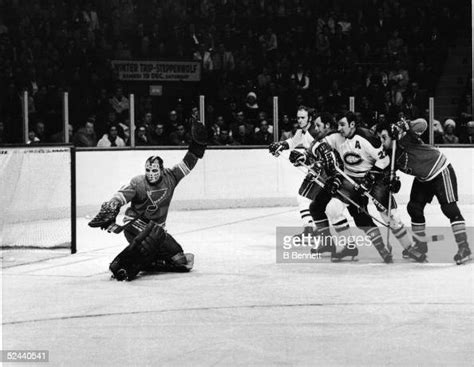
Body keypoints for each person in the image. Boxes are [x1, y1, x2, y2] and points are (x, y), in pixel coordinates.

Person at [88, 121, 207, 280]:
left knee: (180, 259)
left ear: (162, 170)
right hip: (134, 225)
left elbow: (188, 163)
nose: (151, 173)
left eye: (155, 170)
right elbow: (121, 195)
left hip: (157, 229)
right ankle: (121, 265)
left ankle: (149, 259)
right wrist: (113, 204)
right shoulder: (138, 182)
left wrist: (197, 145)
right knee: (153, 233)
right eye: (148, 170)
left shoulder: (171, 177)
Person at [376, 119, 471, 264]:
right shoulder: (389, 155)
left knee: (450, 209)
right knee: (414, 208)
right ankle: (421, 246)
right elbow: (388, 176)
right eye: (380, 138)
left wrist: (405, 126)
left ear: (392, 135)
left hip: (440, 170)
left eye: (384, 137)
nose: (382, 142)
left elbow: (423, 124)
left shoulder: (403, 138)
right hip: (423, 178)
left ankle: (464, 248)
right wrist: (391, 182)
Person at [269, 106, 320, 240]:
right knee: (307, 199)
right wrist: (280, 145)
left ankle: (311, 231)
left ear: (310, 118)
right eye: (298, 117)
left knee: (304, 198)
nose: (300, 120)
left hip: (321, 171)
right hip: (316, 170)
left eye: (303, 117)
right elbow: (293, 142)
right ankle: (311, 230)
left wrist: (306, 159)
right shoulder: (302, 131)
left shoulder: (314, 132)